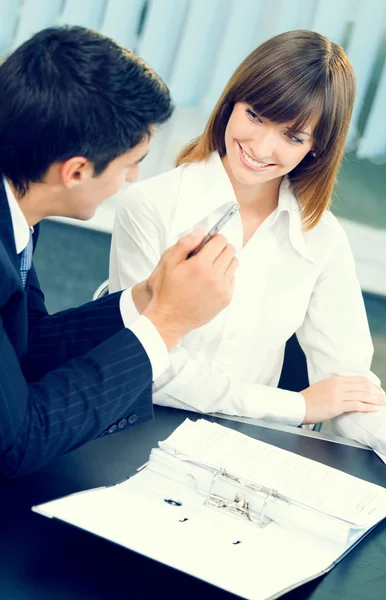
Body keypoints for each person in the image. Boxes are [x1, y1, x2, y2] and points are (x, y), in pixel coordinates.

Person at [110, 30, 386, 464]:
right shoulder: (151, 206)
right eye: (256, 116)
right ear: (232, 102)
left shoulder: (321, 236)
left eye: (293, 137)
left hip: (244, 455)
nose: (262, 148)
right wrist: (297, 407)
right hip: (138, 438)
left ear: (317, 148)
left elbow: (349, 387)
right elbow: (150, 370)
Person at [0, 26, 238, 478]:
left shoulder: (18, 212)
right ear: (76, 171)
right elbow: (15, 442)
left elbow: (21, 350)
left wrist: (145, 298)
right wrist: (167, 324)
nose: (132, 180)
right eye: (132, 164)